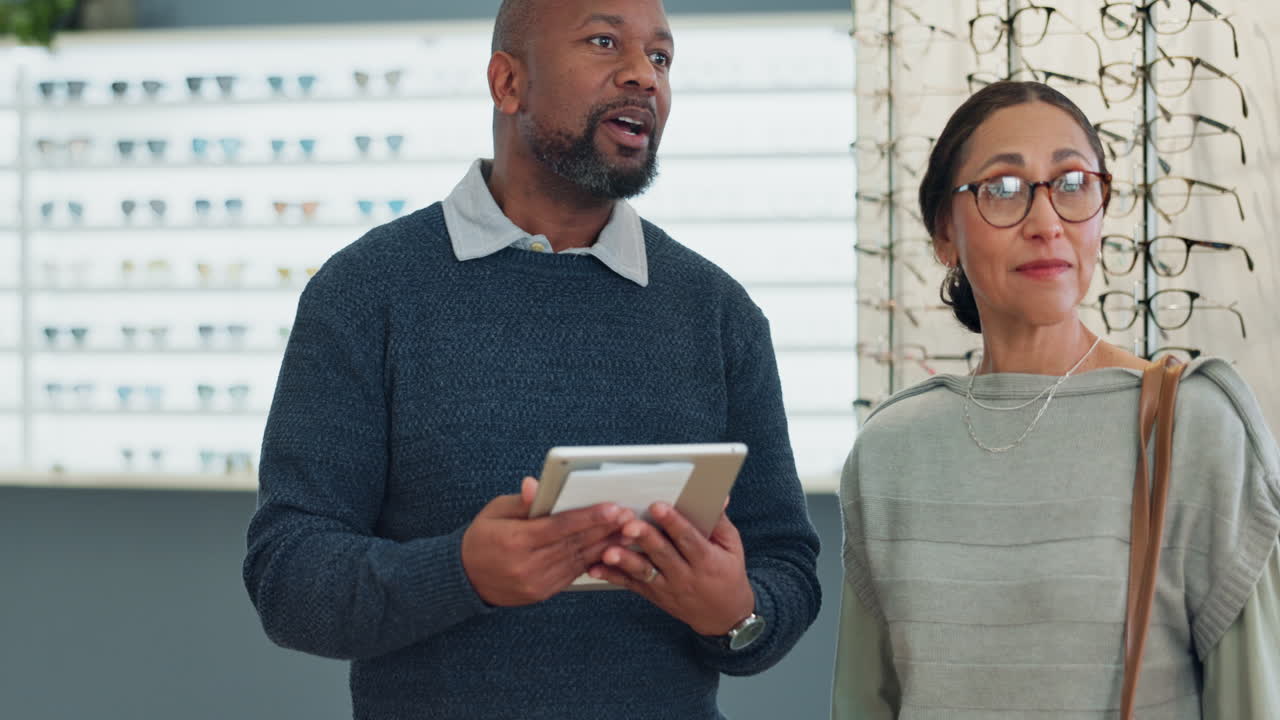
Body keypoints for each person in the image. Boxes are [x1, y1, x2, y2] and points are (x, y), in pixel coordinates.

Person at [242, 0, 821, 718]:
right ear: (507, 83)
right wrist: (460, 573)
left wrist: (733, 612)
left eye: (662, 57)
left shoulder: (718, 312)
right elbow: (287, 578)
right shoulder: (366, 293)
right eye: (605, 42)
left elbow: (786, 572)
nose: (644, 76)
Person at [833, 81, 1280, 718]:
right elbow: (862, 702)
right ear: (944, 233)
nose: (1046, 224)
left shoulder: (1195, 425)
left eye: (1072, 183)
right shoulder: (890, 451)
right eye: (1004, 190)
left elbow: (1252, 702)